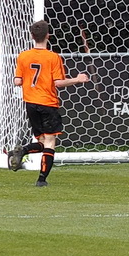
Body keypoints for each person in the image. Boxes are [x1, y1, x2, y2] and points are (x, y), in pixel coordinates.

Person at [9, 20, 90, 186]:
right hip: (47, 103)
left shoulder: (23, 56)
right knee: (50, 142)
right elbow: (58, 83)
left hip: (30, 103)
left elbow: (17, 81)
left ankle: (22, 151)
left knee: (43, 141)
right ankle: (41, 180)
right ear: (48, 36)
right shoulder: (53, 57)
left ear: (32, 36)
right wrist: (78, 79)